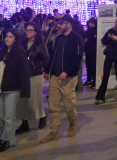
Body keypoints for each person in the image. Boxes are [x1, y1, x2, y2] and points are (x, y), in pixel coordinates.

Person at [41, 14, 84, 143]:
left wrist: (68, 71)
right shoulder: (58, 38)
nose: (59, 26)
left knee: (69, 105)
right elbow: (52, 55)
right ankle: (54, 131)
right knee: (53, 105)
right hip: (55, 76)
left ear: (69, 24)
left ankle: (73, 123)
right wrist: (47, 70)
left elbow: (77, 58)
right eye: (58, 24)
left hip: (68, 78)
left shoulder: (76, 38)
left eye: (62, 23)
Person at [0, 29, 30, 152]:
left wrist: (25, 91)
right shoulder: (1, 53)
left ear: (16, 39)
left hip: (12, 90)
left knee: (9, 116)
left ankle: (7, 139)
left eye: (11, 37)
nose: (7, 39)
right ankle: (6, 136)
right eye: (7, 36)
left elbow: (24, 74)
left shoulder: (20, 54)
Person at [17, 22, 49, 133]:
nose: (28, 32)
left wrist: (46, 71)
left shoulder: (40, 45)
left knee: (34, 100)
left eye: (30, 30)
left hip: (36, 74)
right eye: (27, 30)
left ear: (36, 32)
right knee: (23, 100)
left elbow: (46, 59)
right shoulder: (22, 43)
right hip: (23, 75)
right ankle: (24, 122)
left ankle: (42, 116)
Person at [94, 16, 117, 104]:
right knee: (105, 76)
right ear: (115, 23)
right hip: (109, 56)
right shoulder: (110, 31)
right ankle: (100, 97)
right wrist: (108, 37)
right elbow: (103, 41)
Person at [83, 18, 97, 88]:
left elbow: (86, 40)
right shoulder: (90, 31)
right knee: (89, 66)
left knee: (92, 66)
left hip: (92, 51)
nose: (89, 24)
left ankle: (93, 81)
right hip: (89, 51)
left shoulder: (93, 31)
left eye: (91, 23)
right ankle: (89, 80)